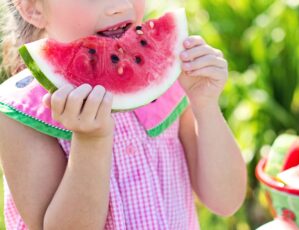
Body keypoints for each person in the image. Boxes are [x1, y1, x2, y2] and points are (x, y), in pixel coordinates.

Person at [0, 0, 247, 229]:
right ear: (33, 8)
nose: (119, 6)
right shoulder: (21, 112)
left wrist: (206, 106)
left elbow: (226, 201)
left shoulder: (170, 78)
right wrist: (90, 142)